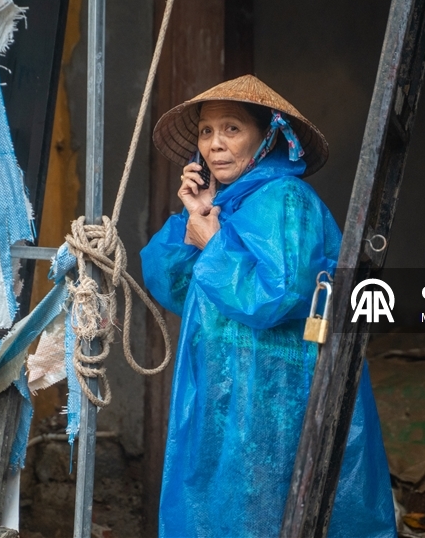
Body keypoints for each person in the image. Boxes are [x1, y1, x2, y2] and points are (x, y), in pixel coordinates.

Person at [141, 75, 396, 538]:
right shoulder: (226, 205)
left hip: (278, 389)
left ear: (268, 136)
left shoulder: (286, 200)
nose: (214, 144)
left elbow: (277, 297)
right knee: (219, 508)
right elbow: (173, 285)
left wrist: (214, 243)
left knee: (268, 512)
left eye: (232, 128)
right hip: (223, 387)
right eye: (206, 131)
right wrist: (194, 216)